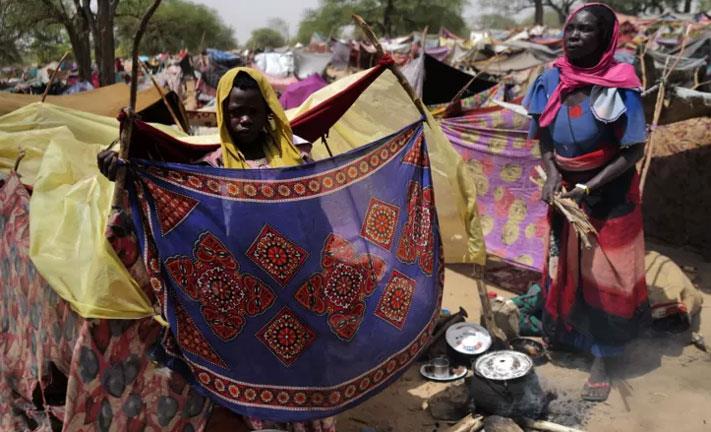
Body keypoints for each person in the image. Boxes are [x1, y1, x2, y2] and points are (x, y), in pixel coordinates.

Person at [98, 67, 334, 431]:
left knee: (303, 384)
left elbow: (318, 221)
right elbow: (166, 199)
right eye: (235, 110)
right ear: (223, 113)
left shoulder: (297, 158)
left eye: (253, 111)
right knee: (256, 391)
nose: (244, 119)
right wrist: (125, 176)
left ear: (267, 111)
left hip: (296, 294)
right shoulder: (211, 167)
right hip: (245, 301)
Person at [524, 3, 648, 402]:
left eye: (586, 30)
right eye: (571, 29)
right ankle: (570, 334)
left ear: (606, 38)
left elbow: (632, 150)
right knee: (567, 262)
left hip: (608, 190)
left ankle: (605, 355)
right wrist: (555, 173)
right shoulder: (551, 78)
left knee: (607, 272)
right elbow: (544, 135)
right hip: (566, 190)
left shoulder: (619, 84)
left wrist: (591, 185)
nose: (574, 36)